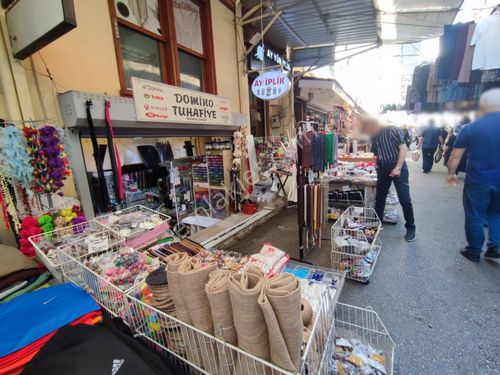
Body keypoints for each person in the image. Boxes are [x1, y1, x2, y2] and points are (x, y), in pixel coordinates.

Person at [447, 89, 500, 262]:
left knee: (475, 216)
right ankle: (495, 246)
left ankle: (474, 250)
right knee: (496, 214)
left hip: (478, 180)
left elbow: (455, 155)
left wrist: (452, 173)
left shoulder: (471, 127)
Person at [362, 118, 416, 242]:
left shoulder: (392, 130)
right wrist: (374, 165)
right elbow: (375, 153)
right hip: (383, 168)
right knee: (380, 198)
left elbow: (403, 148)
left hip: (398, 166)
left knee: (404, 199)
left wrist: (398, 168)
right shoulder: (373, 135)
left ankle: (411, 228)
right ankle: (377, 223)